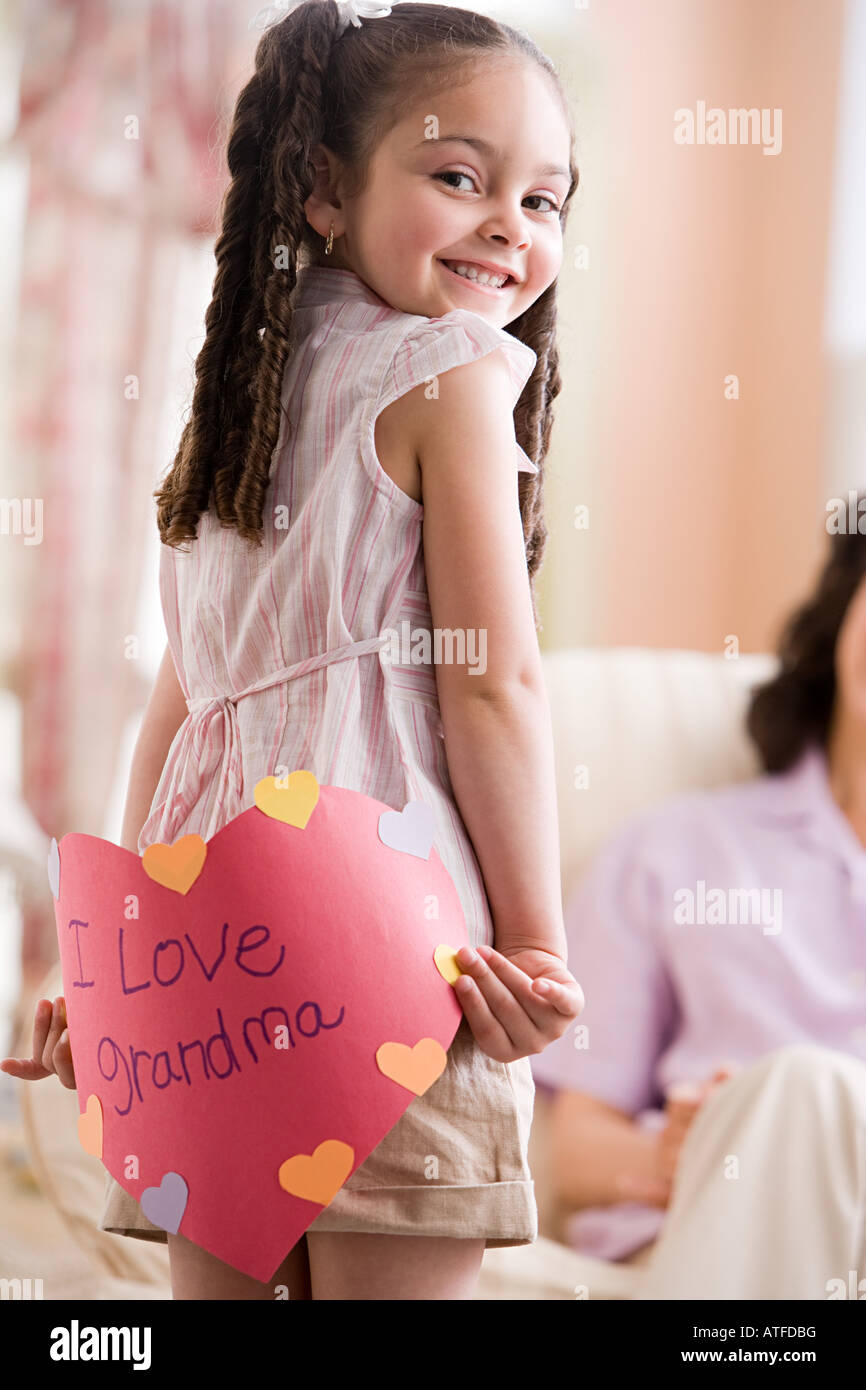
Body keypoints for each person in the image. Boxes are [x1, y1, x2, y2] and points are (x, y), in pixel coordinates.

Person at [1, 0, 585, 1300]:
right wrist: (538, 943)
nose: (511, 223)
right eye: (458, 176)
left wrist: (113, 961)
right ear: (323, 188)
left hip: (210, 965)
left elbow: (180, 705)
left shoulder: (237, 408)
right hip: (388, 945)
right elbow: (491, 680)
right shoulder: (449, 375)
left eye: (544, 198)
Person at [531, 510, 866, 1299]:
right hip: (719, 1237)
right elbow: (575, 1150)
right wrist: (687, 1152)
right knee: (804, 1094)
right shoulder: (672, 851)